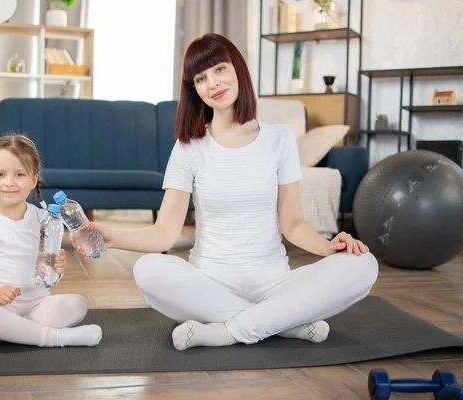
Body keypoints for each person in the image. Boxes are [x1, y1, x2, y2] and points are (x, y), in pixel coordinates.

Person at [72, 33, 378, 351]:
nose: (213, 83)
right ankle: (282, 324)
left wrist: (330, 248)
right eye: (201, 78)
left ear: (237, 68)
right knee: (149, 269)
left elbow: (293, 224)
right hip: (209, 283)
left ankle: (229, 330)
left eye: (219, 69)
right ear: (194, 90)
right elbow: (164, 234)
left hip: (273, 281)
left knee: (363, 264)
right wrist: (112, 238)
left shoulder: (279, 139)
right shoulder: (189, 146)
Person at [0, 134, 102, 352]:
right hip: (1, 306)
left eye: (19, 174)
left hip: (38, 304)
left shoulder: (44, 219)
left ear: (34, 180)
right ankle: (54, 337)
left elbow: (50, 271)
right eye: (0, 174)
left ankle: (0, 335)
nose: (9, 182)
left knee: (77, 304)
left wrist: (58, 270)